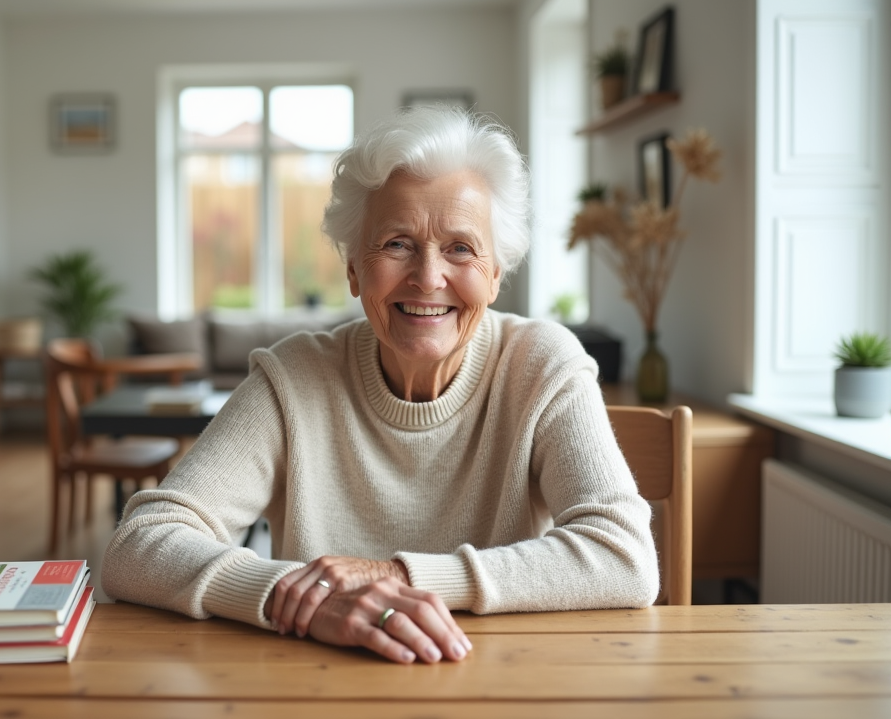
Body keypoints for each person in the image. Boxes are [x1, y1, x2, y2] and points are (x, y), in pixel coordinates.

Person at [103, 106, 659, 665]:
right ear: (353, 269)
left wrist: (396, 576)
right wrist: (300, 600)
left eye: (461, 248)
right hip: (318, 681)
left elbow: (625, 557)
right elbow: (139, 544)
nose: (428, 276)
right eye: (396, 243)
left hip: (496, 678)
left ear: (495, 274)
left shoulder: (543, 364)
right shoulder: (293, 378)